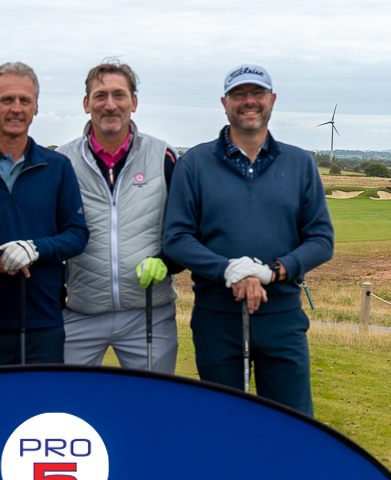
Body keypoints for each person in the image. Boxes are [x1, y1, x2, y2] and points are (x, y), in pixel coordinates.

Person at [163, 64, 333, 416]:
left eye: (257, 93)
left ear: (272, 100)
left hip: (282, 317)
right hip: (216, 318)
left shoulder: (300, 163)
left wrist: (272, 272)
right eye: (239, 94)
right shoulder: (193, 163)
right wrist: (230, 271)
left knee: (293, 426)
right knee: (223, 424)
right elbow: (177, 238)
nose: (249, 101)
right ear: (224, 103)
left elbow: (321, 239)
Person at [0, 63, 88, 367]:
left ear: (36, 107)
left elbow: (77, 234)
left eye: (24, 101)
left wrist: (36, 248)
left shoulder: (57, 167)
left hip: (45, 323)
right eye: (6, 100)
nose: (16, 108)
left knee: (43, 414)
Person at [57, 62, 181, 373]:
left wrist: (166, 261)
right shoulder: (62, 161)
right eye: (100, 95)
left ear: (133, 102)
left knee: (151, 408)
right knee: (69, 407)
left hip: (149, 311)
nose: (110, 105)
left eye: (119, 95)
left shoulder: (164, 156)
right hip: (79, 313)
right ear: (86, 104)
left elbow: (183, 230)